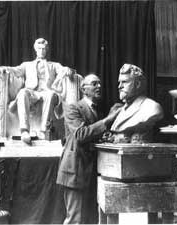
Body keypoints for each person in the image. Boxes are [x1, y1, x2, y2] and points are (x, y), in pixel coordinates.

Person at [56, 74, 121, 224]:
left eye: (99, 83)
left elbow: (94, 135)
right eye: (94, 84)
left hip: (89, 171)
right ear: (83, 89)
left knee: (89, 219)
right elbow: (81, 134)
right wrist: (107, 120)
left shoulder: (96, 110)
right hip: (75, 171)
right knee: (75, 219)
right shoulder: (73, 108)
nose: (99, 86)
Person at [0, 38, 76, 144]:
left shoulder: (54, 65)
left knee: (50, 94)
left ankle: (43, 130)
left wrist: (68, 70)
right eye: (39, 49)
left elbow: (65, 69)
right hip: (32, 92)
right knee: (23, 92)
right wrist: (4, 68)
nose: (41, 51)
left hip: (48, 92)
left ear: (47, 50)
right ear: (35, 50)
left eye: (44, 49)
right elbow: (15, 70)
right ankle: (24, 130)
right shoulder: (27, 65)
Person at [110, 63, 163, 143]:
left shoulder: (152, 108)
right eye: (119, 82)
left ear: (137, 84)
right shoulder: (119, 109)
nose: (119, 86)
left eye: (124, 82)